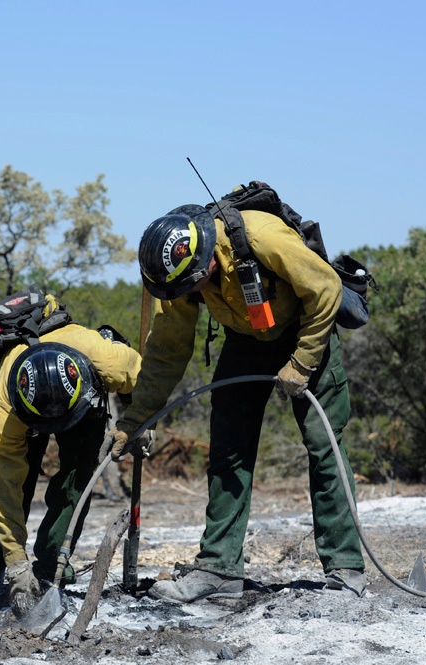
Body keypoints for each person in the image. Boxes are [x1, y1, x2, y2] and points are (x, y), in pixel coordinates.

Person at [108, 203, 367, 604]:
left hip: (306, 329)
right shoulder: (175, 273)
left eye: (195, 285)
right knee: (228, 450)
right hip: (245, 339)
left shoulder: (262, 236)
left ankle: (345, 569)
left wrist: (302, 362)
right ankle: (219, 569)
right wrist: (135, 419)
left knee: (324, 447)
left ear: (207, 257)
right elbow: (167, 350)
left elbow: (326, 290)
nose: (191, 295)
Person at [0, 300, 141, 617]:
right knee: (14, 489)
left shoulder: (104, 358)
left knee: (76, 482)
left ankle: (51, 571)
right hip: (25, 405)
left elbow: (142, 375)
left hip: (82, 400)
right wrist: (15, 563)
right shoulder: (6, 407)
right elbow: (4, 487)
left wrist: (139, 420)